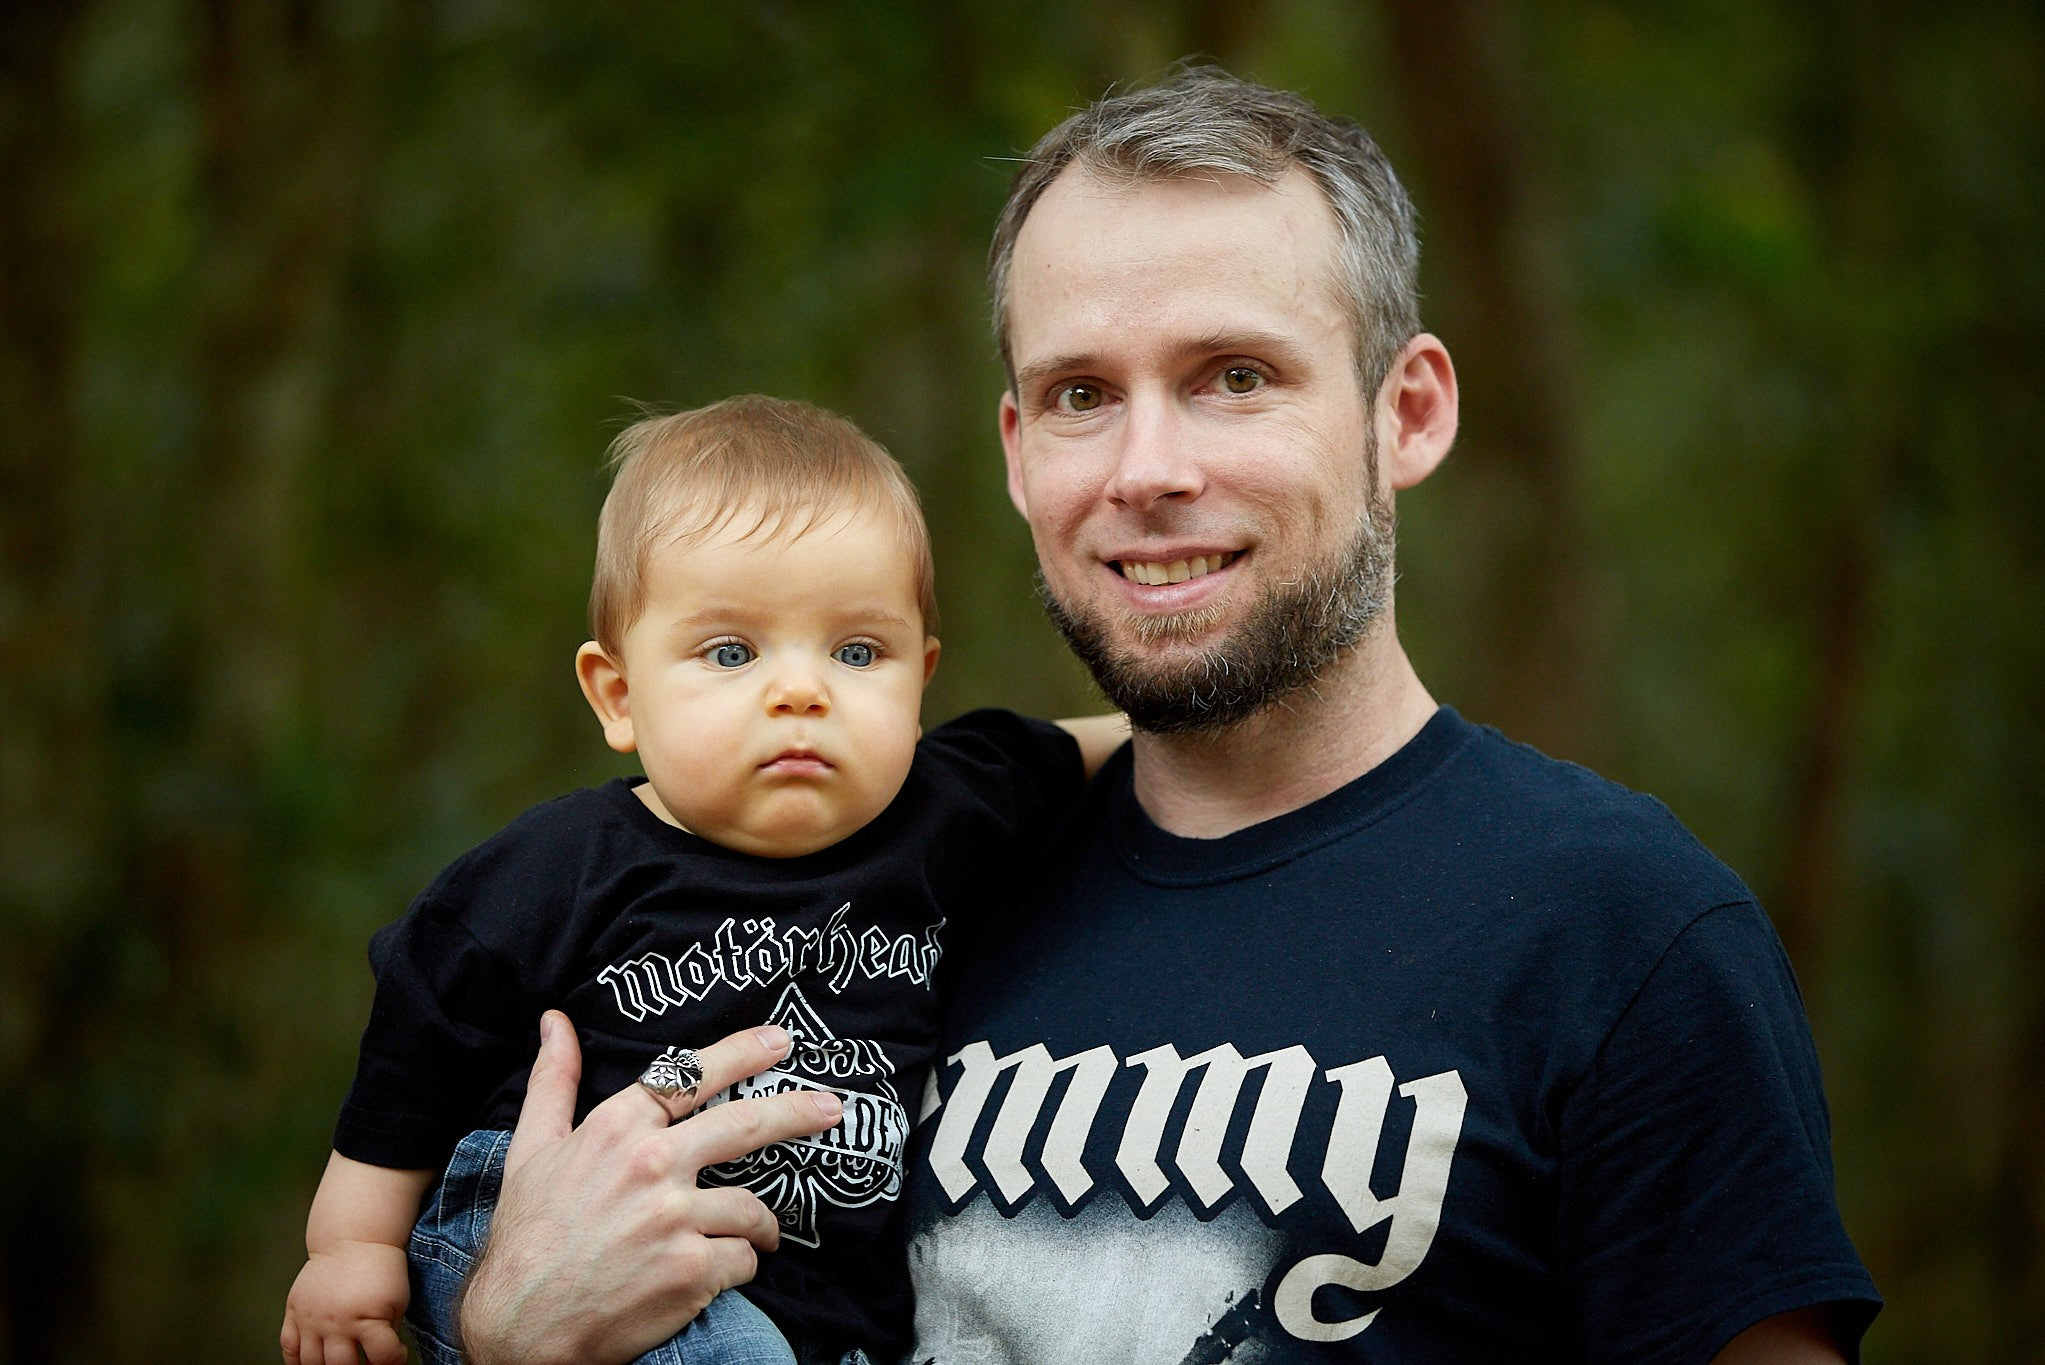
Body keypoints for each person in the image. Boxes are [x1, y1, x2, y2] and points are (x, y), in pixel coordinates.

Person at [452, 69, 1883, 1364]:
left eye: (1234, 378)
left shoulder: (1621, 933)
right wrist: (512, 1341)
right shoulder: (902, 878)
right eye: (1082, 393)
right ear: (1018, 453)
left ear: (1411, 412)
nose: (1147, 468)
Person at [279, 396, 1126, 1365]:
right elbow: (424, 1019)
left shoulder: (950, 803)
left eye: (858, 652)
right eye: (731, 652)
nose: (800, 690)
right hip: (542, 1232)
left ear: (920, 677)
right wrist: (350, 1245)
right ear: (618, 695)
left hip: (807, 1290)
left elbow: (1125, 739)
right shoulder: (565, 865)